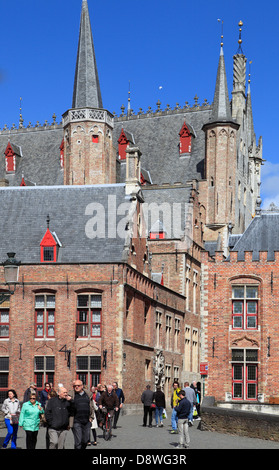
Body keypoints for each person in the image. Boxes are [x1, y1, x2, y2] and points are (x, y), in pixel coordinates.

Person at [69, 379, 94, 449]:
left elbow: (92, 406)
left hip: (87, 421)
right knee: (78, 441)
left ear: (82, 386)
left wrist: (91, 417)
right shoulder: (71, 395)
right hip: (76, 421)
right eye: (75, 386)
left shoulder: (88, 394)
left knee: (85, 440)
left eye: (78, 385)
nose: (76, 387)